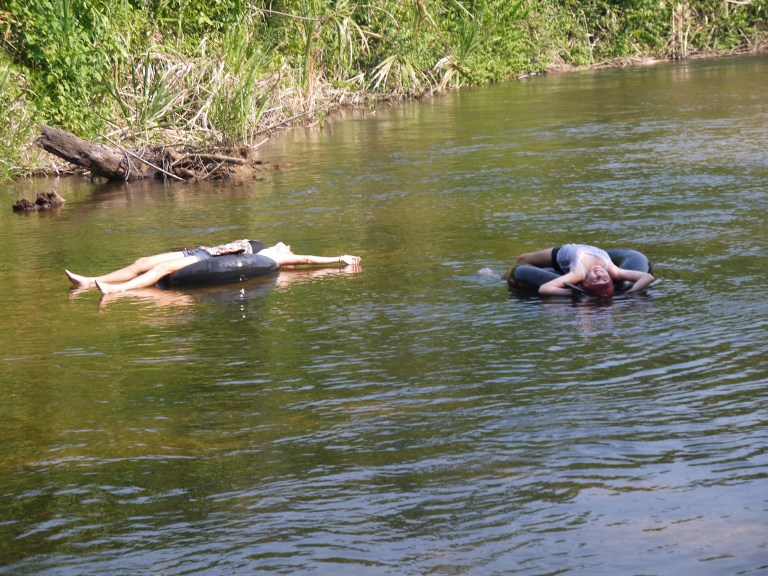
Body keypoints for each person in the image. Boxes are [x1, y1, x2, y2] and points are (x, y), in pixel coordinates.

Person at [66, 239, 362, 294]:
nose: (288, 244)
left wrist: (339, 259)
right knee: (142, 262)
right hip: (199, 251)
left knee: (158, 271)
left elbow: (308, 260)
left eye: (290, 248)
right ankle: (89, 281)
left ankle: (116, 290)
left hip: (204, 261)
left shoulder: (274, 256)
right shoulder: (263, 246)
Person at [511, 243, 654, 297]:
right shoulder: (614, 271)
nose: (600, 274)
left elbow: (544, 288)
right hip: (589, 249)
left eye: (596, 280)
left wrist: (572, 293)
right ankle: (502, 277)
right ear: (611, 278)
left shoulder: (579, 273)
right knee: (522, 258)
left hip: (563, 254)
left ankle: (500, 279)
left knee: (523, 259)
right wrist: (631, 291)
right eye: (604, 279)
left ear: (586, 282)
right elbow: (648, 277)